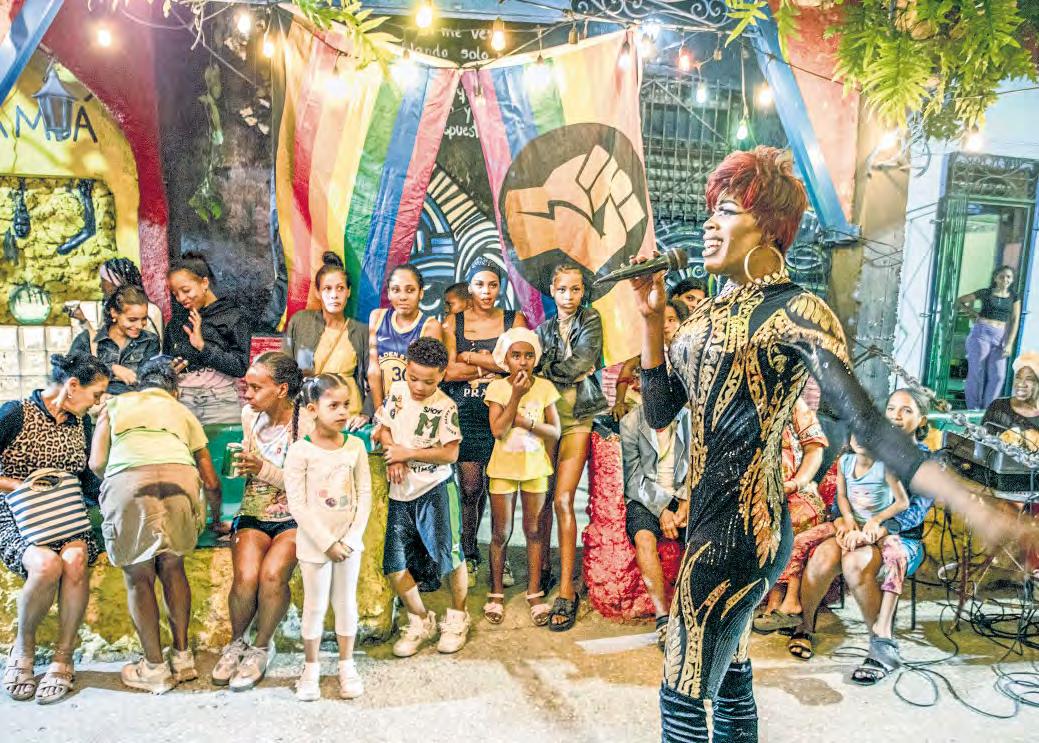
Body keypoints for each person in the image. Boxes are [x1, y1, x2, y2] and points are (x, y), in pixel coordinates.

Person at [630, 146, 1032, 742]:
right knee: (730, 676)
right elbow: (661, 411)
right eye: (710, 210)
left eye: (728, 211)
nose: (710, 224)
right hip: (710, 526)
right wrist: (650, 319)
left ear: (769, 227)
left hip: (743, 533)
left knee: (682, 699)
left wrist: (967, 501)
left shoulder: (799, 311)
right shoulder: (703, 316)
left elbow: (867, 424)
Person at [89, 356, 221, 694]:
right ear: (175, 391)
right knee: (173, 565)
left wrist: (122, 479)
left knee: (139, 575)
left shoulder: (115, 405)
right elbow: (210, 480)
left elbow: (97, 462)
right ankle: (183, 658)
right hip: (181, 480)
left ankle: (154, 668)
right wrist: (217, 517)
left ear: (139, 385)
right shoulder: (183, 412)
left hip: (130, 484)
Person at [787, 389, 933, 683]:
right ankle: (805, 625)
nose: (896, 416)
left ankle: (881, 646)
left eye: (906, 410)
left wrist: (878, 528)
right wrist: (843, 522)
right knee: (822, 556)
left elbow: (914, 511)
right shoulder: (865, 447)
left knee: (855, 562)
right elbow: (841, 497)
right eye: (891, 408)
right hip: (858, 530)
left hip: (900, 539)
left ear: (921, 420)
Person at [0, 353, 109, 704]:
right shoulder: (15, 414)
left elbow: (88, 479)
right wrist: (21, 487)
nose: (98, 403)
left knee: (75, 560)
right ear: (72, 386)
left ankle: (64, 656)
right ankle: (23, 648)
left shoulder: (81, 424)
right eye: (96, 394)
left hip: (66, 515)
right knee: (46, 565)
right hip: (18, 515)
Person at [211, 352, 312, 691]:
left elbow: (306, 483)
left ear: (281, 389)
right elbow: (253, 472)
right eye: (247, 386)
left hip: (295, 515)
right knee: (245, 577)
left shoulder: (306, 421)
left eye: (256, 388)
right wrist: (245, 467)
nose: (248, 394)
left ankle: (261, 646)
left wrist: (262, 469)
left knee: (272, 575)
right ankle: (237, 642)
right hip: (253, 510)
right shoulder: (249, 417)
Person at [374, 338, 470, 657]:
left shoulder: (445, 406)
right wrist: (395, 455)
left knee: (450, 558)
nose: (418, 386)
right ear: (406, 368)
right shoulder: (398, 391)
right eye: (413, 377)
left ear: (442, 375)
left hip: (436, 490)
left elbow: (451, 453)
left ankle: (457, 617)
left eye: (428, 381)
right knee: (395, 565)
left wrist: (408, 453)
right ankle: (419, 619)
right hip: (400, 494)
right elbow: (384, 427)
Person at [284, 374, 372, 701]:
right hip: (314, 545)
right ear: (312, 409)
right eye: (333, 405)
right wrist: (327, 543)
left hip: (349, 544)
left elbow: (364, 494)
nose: (343, 412)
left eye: (346, 404)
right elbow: (298, 504)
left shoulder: (355, 446)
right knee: (315, 605)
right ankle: (311, 668)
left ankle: (347, 665)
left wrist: (351, 538)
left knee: (346, 602)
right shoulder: (300, 451)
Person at [442, 256, 527, 588]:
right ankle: (469, 554)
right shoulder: (454, 322)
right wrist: (491, 363)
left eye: (493, 285)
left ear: (500, 287)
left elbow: (518, 365)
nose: (487, 291)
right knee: (470, 488)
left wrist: (470, 357)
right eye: (480, 284)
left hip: (504, 412)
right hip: (466, 412)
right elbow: (449, 372)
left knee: (500, 490)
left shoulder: (513, 319)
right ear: (470, 286)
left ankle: (499, 561)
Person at [535, 263, 607, 631]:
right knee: (542, 497)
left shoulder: (590, 320)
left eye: (575, 289)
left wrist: (548, 369)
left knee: (563, 499)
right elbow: (538, 367)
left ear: (583, 292)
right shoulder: (542, 329)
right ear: (552, 290)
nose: (569, 296)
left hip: (578, 414)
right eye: (562, 289)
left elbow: (584, 361)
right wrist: (561, 369)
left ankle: (567, 590)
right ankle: (543, 571)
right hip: (545, 415)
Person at [482, 328, 560, 626]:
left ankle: (534, 592)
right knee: (501, 532)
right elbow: (498, 430)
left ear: (535, 358)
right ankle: (496, 593)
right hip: (503, 469)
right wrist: (516, 396)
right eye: (516, 356)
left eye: (528, 355)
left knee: (535, 531)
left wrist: (525, 422)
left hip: (535, 469)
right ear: (506, 358)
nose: (523, 361)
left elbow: (555, 431)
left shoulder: (545, 388)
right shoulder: (498, 389)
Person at [752, 397, 828, 633]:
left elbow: (815, 449)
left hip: (793, 487)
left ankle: (787, 600)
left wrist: (797, 483)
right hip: (753, 492)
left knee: (799, 514)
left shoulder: (794, 402)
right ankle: (773, 601)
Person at [620, 396, 690, 648]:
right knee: (644, 538)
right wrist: (662, 510)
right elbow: (633, 477)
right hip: (645, 496)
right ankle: (663, 618)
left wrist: (686, 500)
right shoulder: (631, 422)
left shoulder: (691, 419)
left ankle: (693, 612)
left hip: (684, 494)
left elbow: (700, 465)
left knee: (702, 535)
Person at [282, 252, 371, 429]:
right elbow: (284, 371)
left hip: (348, 417)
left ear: (348, 292)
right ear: (317, 292)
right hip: (309, 414)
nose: (334, 295)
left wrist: (366, 414)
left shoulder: (361, 331)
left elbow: (374, 379)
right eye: (327, 289)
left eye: (340, 288)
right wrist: (290, 412)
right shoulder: (300, 322)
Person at [164, 252, 251, 425]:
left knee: (224, 443)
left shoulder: (232, 317)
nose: (181, 298)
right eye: (175, 294)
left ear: (204, 283)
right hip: (183, 400)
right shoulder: (176, 323)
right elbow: (165, 361)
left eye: (186, 290)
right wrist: (169, 370)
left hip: (221, 402)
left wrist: (203, 347)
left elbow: (240, 367)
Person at [366, 263, 442, 411]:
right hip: (385, 407)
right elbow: (374, 370)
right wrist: (379, 411)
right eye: (396, 290)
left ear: (421, 293)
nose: (402, 297)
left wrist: (410, 415)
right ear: (389, 293)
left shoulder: (429, 327)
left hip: (416, 409)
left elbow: (429, 379)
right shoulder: (377, 317)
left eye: (410, 290)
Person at [69, 285, 160, 396]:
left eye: (144, 319)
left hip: (132, 402)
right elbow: (69, 370)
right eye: (132, 320)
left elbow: (147, 382)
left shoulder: (150, 341)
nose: (140, 325)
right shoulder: (87, 339)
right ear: (114, 313)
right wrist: (111, 369)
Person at [612, 300, 688, 421]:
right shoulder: (649, 349)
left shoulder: (689, 352)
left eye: (671, 320)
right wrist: (619, 402)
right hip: (641, 409)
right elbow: (627, 368)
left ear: (682, 322)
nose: (665, 325)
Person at [959, 266, 1021, 409]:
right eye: (1002, 276)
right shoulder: (985, 293)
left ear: (1012, 280)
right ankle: (973, 408)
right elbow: (960, 301)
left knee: (998, 376)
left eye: (1008, 277)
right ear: (995, 278)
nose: (1005, 279)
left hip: (1001, 336)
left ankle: (988, 409)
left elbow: (1015, 320)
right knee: (977, 372)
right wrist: (972, 313)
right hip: (981, 334)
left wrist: (1009, 343)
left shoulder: (1014, 297)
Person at [68, 257, 165, 345]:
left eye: (104, 281)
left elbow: (155, 351)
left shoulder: (150, 311)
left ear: (116, 282)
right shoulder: (110, 310)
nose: (101, 286)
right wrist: (83, 320)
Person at [982, 351, 1039, 439]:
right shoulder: (998, 406)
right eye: (1018, 377)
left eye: (1029, 379)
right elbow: (981, 441)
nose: (1020, 383)